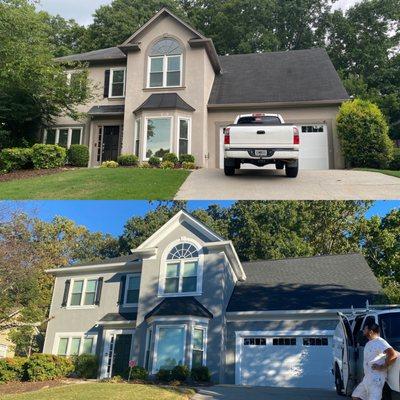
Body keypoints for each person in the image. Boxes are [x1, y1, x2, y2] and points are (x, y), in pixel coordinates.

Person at [352, 322, 398, 400]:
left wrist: (383, 367)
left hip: (376, 379)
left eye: (365, 329)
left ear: (371, 332)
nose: (363, 331)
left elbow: (393, 354)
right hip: (367, 378)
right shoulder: (369, 343)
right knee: (356, 396)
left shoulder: (380, 341)